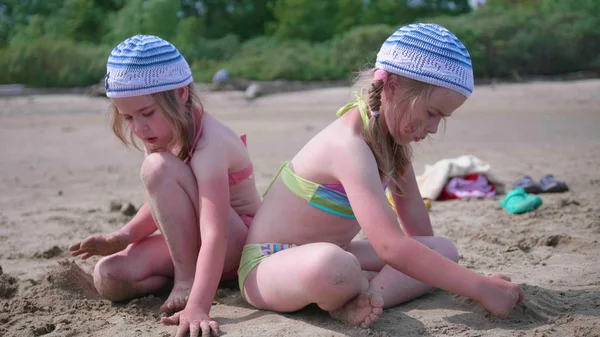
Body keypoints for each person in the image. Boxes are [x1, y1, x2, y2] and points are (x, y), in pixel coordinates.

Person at [237, 23, 524, 328]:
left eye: (442, 118)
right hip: (270, 265)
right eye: (431, 113)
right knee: (334, 265)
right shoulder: (348, 147)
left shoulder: (392, 149)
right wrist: (480, 287)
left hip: (340, 256)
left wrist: (462, 278)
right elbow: (390, 247)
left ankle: (369, 296)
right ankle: (352, 289)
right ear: (393, 86)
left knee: (443, 249)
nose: (433, 128)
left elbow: (419, 237)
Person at [69, 35, 261, 336]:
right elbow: (164, 200)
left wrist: (198, 304)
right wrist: (124, 236)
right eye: (127, 116)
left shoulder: (210, 143)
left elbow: (215, 232)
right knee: (108, 276)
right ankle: (189, 277)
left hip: (236, 244)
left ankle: (188, 281)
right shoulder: (159, 132)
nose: (139, 127)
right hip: (198, 247)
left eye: (146, 113)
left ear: (181, 93)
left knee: (156, 166)